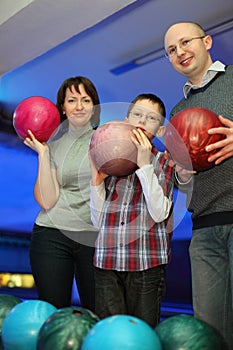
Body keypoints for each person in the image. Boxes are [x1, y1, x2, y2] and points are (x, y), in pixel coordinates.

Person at [164, 22, 233, 349]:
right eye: (171, 50)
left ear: (206, 41)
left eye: (185, 42)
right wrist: (183, 175)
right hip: (204, 228)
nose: (179, 52)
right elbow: (182, 184)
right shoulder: (177, 112)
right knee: (208, 331)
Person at [89, 93, 174, 327]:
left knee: (142, 334)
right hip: (107, 263)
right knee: (110, 335)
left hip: (146, 264)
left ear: (159, 131)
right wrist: (96, 179)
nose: (142, 121)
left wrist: (144, 164)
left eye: (151, 118)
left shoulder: (164, 162)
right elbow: (97, 221)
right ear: (126, 120)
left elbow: (159, 214)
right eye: (137, 114)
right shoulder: (110, 160)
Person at [24, 76, 101, 311]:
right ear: (63, 108)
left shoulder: (106, 139)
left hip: (93, 236)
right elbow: (47, 200)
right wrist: (43, 155)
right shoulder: (53, 145)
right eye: (72, 100)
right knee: (53, 312)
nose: (79, 106)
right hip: (51, 234)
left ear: (94, 106)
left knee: (96, 312)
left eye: (85, 100)